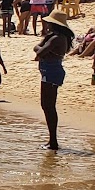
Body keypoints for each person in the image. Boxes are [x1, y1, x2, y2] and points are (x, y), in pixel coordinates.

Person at [34, 11, 74, 150]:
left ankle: (53, 141)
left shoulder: (57, 38)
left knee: (49, 107)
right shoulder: (54, 37)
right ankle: (52, 140)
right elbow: (41, 50)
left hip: (51, 73)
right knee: (47, 106)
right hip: (50, 72)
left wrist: (39, 47)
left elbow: (39, 51)